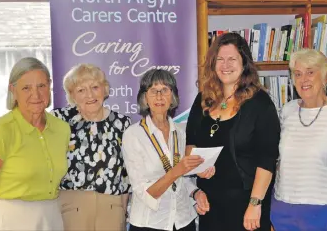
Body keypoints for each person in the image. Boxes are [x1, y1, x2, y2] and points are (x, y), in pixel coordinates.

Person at [185, 32, 280, 231]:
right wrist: (197, 167)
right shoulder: (203, 99)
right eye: (220, 59)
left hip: (247, 207)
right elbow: (191, 144)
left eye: (232, 59)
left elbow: (267, 159)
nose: (225, 65)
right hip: (210, 205)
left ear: (244, 63)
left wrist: (255, 204)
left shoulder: (261, 104)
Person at [0, 57, 70, 231]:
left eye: (41, 86)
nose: (36, 94)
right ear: (13, 90)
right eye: (26, 88)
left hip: (51, 218)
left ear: (49, 86)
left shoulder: (62, 129)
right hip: (9, 222)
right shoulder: (2, 130)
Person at [270, 49, 327, 230]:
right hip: (283, 209)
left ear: (325, 77)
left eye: (310, 72)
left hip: (325, 211)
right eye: (297, 74)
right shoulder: (286, 110)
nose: (303, 79)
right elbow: (278, 159)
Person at [122, 69, 207, 231]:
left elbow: (181, 180)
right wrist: (177, 171)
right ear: (144, 98)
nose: (159, 96)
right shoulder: (133, 135)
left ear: (173, 97)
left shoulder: (181, 132)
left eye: (165, 90)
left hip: (183, 220)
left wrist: (196, 193)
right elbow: (143, 192)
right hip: (150, 223)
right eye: (153, 91)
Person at [51, 64, 132, 231]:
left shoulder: (122, 123)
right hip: (72, 206)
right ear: (71, 95)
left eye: (95, 87)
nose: (90, 95)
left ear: (105, 89)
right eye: (81, 90)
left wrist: (123, 208)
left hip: (112, 207)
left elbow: (126, 171)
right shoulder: (59, 120)